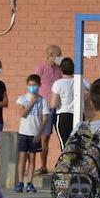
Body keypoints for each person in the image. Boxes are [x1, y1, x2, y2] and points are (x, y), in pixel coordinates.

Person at [34, 45, 64, 174]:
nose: (59, 57)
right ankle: (43, 165)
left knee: (63, 135)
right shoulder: (41, 68)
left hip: (57, 107)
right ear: (50, 55)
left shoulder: (59, 70)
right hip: (44, 107)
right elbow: (33, 84)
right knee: (44, 137)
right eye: (57, 55)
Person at [15, 74, 47, 193]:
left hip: (35, 133)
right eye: (30, 85)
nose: (32, 87)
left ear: (39, 85)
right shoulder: (22, 98)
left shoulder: (43, 100)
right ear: (27, 85)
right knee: (22, 158)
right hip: (24, 132)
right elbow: (22, 114)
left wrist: (39, 133)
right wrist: (31, 103)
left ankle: (30, 183)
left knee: (32, 158)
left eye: (34, 85)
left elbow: (44, 119)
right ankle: (20, 182)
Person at [50, 58, 91, 145]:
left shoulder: (58, 83)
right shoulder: (82, 81)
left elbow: (53, 104)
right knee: (78, 145)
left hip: (63, 115)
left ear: (61, 70)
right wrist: (84, 96)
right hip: (79, 115)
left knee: (65, 145)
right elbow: (92, 90)